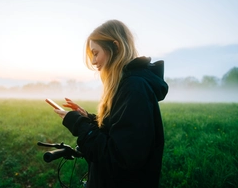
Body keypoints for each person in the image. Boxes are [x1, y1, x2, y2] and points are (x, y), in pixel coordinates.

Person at [54, 19, 168, 188]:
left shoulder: (134, 88)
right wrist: (89, 119)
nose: (93, 61)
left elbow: (118, 159)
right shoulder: (125, 85)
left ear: (115, 47)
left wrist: (78, 124)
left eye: (95, 52)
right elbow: (117, 133)